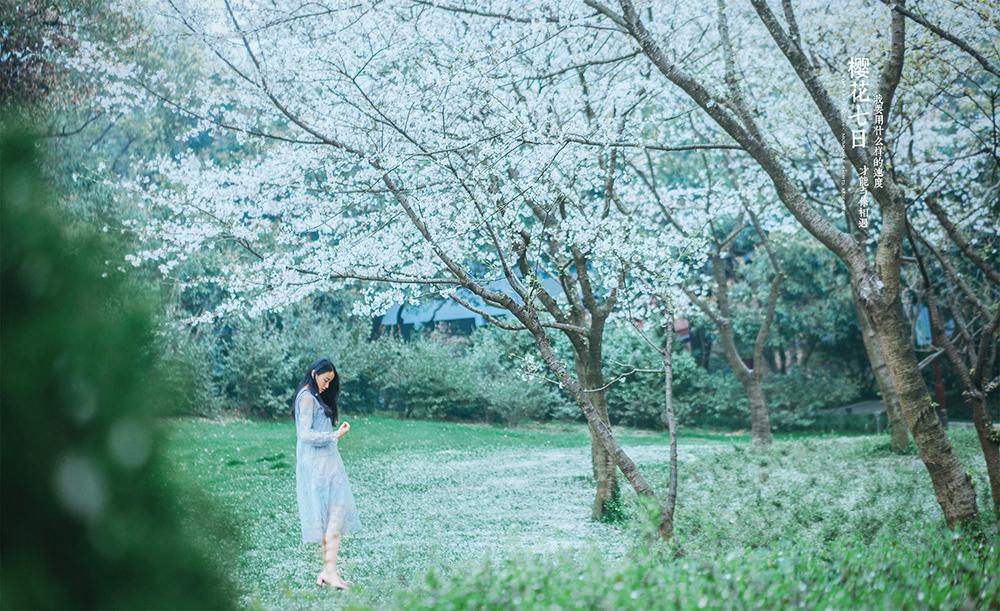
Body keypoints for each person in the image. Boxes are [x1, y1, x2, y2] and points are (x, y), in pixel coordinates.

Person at [292, 358, 362, 590]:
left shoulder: (314, 396)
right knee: (333, 516)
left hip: (327, 462)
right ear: (315, 373)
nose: (327, 385)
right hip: (318, 465)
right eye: (325, 379)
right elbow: (304, 435)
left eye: (330, 381)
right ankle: (329, 572)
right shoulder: (306, 397)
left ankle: (328, 571)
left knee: (335, 516)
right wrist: (335, 435)